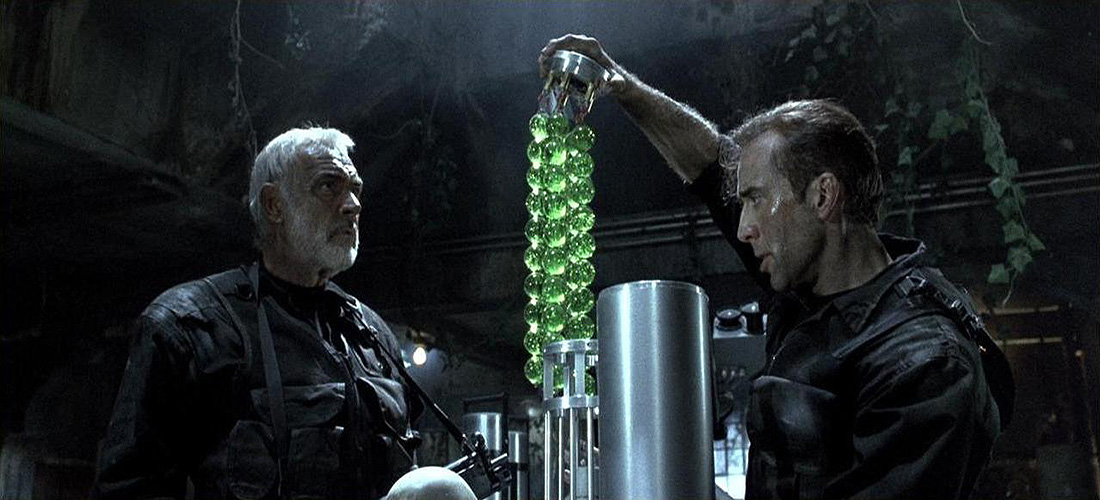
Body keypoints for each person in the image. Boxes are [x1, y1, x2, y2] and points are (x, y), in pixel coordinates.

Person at [539, 35, 1014, 499]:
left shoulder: (926, 364)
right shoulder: (807, 280)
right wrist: (621, 85)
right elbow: (709, 163)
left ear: (823, 197)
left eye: (755, 199)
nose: (743, 228)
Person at [94, 128, 473, 500]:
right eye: (329, 186)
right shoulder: (190, 326)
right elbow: (129, 489)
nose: (353, 205)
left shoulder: (371, 335)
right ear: (274, 205)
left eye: (355, 189)